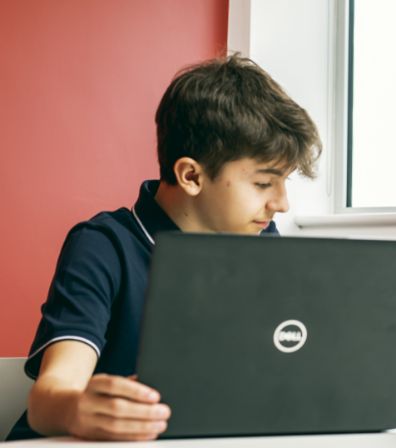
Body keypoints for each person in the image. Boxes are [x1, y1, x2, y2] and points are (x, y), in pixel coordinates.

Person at [7, 55, 321, 441]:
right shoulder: (103, 246)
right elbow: (48, 398)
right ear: (191, 175)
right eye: (262, 184)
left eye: (285, 182)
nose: (281, 203)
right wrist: (75, 409)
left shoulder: (262, 241)